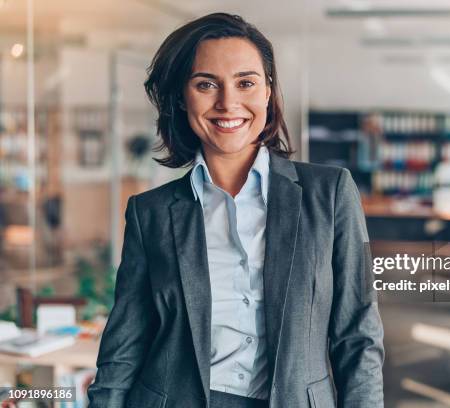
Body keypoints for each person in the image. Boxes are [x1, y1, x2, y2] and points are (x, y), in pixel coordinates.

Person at [87, 12, 384, 408]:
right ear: (182, 97)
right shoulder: (150, 213)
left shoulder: (330, 194)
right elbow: (124, 346)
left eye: (245, 82)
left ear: (267, 92)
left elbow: (359, 333)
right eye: (206, 84)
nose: (228, 103)